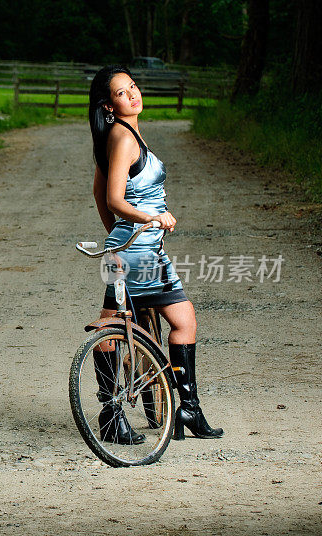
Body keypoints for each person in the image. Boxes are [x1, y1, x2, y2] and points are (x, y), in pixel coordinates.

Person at [88, 65, 223, 443]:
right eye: (121, 92)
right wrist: (149, 218)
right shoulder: (122, 137)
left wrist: (117, 236)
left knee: (180, 318)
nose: (132, 94)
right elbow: (114, 199)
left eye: (132, 86)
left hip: (138, 250)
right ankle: (113, 414)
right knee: (116, 328)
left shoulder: (120, 135)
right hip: (137, 253)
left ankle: (188, 410)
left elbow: (101, 195)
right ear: (109, 106)